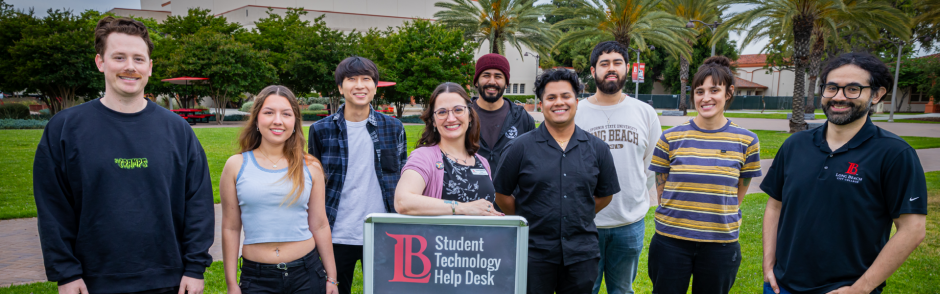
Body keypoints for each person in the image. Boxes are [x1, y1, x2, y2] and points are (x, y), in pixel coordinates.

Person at [32, 16, 214, 294]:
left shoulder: (178, 130)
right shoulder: (65, 128)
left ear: (150, 67)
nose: (130, 67)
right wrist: (66, 273)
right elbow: (53, 207)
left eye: (138, 59)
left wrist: (194, 267)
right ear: (100, 62)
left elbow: (198, 203)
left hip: (169, 279)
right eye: (119, 57)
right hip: (93, 281)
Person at [760, 52, 927, 294]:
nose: (839, 97)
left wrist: (860, 289)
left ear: (877, 94)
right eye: (831, 88)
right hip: (780, 286)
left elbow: (913, 229)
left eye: (852, 89)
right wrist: (769, 262)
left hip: (845, 289)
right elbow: (775, 206)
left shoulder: (895, 154)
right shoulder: (795, 145)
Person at [494, 68, 620, 294]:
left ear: (576, 101)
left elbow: (605, 195)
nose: (558, 103)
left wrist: (579, 212)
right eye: (551, 97)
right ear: (541, 104)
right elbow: (501, 194)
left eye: (565, 96)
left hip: (582, 255)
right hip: (533, 253)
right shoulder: (519, 148)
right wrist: (527, 215)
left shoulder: (597, 148)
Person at [647, 56, 761, 294]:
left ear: (728, 93)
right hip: (671, 242)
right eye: (700, 91)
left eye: (714, 90)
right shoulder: (671, 138)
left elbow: (740, 188)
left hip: (720, 244)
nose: (706, 97)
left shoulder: (747, 141)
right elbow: (662, 189)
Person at [220, 85, 339, 293]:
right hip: (257, 279)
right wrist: (232, 284)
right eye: (268, 113)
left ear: (295, 121)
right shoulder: (236, 165)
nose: (278, 120)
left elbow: (320, 225)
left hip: (307, 275)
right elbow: (230, 228)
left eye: (286, 114)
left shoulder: (311, 166)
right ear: (257, 119)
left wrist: (332, 279)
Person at [307, 56, 407, 294]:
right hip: (336, 233)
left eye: (366, 79)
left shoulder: (394, 128)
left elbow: (402, 178)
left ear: (375, 87)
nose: (360, 85)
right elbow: (314, 184)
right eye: (351, 79)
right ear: (340, 87)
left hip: (383, 231)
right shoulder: (320, 130)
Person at [574, 41, 662, 294]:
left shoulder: (645, 113)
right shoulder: (576, 112)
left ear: (627, 68)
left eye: (617, 63)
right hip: (585, 223)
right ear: (593, 71)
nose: (611, 69)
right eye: (604, 64)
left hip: (629, 223)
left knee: (622, 290)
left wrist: (636, 197)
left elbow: (651, 165)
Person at [395, 82, 504, 216]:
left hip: (482, 237)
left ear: (469, 116)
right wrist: (462, 208)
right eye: (442, 112)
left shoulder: (482, 162)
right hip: (441, 237)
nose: (451, 118)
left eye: (458, 110)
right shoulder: (423, 157)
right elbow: (402, 202)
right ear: (434, 121)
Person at [470, 53, 536, 173]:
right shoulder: (462, 115)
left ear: (506, 83)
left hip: (510, 192)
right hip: (470, 190)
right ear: (476, 81)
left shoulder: (522, 118)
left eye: (498, 76)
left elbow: (533, 161)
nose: (492, 81)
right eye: (486, 75)